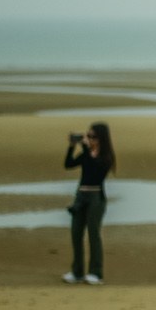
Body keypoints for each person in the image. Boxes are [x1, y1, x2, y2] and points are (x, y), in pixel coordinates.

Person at [61, 122, 117, 284]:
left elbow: (95, 172)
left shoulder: (106, 157)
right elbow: (68, 164)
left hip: (96, 197)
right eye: (88, 136)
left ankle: (96, 272)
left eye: (93, 136)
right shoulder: (86, 154)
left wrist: (85, 149)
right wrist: (72, 146)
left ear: (101, 139)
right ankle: (77, 272)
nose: (89, 139)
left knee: (93, 234)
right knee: (76, 233)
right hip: (81, 196)